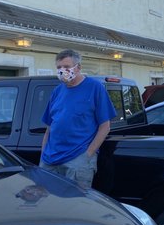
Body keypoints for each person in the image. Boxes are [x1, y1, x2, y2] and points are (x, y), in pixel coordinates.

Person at [40, 49, 116, 189]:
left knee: (75, 205)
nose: (62, 71)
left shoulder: (95, 88)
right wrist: (43, 153)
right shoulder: (57, 91)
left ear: (78, 67)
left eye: (67, 67)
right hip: (49, 160)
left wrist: (87, 156)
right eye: (59, 68)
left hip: (77, 159)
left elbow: (105, 126)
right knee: (48, 202)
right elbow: (50, 127)